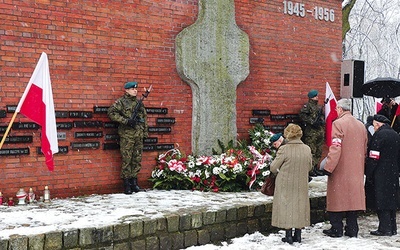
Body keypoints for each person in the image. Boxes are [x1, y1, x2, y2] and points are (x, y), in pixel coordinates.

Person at [321, 98, 367, 238]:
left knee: (337, 199)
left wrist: (328, 167)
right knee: (353, 200)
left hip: (340, 168)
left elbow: (336, 147)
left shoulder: (338, 124)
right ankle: (352, 228)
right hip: (356, 168)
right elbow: (364, 148)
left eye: (336, 109)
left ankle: (336, 228)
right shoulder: (361, 125)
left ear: (340, 109)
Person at [270, 123, 313, 244]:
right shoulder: (307, 148)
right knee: (300, 206)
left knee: (286, 207)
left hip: (285, 182)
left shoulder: (284, 149)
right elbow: (309, 167)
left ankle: (288, 235)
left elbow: (273, 167)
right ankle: (298, 235)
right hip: (301, 182)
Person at [107, 81, 149, 194]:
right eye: (132, 89)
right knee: (127, 159)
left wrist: (145, 133)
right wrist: (126, 121)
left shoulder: (139, 103)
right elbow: (111, 113)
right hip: (127, 136)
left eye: (136, 89)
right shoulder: (121, 102)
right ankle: (126, 185)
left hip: (138, 135)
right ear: (126, 90)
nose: (135, 90)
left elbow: (144, 118)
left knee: (137, 159)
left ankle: (134, 183)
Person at [365, 114, 400, 236]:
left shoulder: (379, 135)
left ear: (377, 124)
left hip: (380, 173)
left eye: (374, 126)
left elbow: (374, 156)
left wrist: (368, 172)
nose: (373, 128)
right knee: (391, 201)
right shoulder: (395, 134)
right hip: (393, 172)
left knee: (381, 200)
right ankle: (392, 227)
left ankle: (384, 228)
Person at [299, 89, 325, 176]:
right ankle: (310, 169)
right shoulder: (308, 106)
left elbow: (321, 117)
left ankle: (315, 168)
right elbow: (302, 115)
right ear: (311, 97)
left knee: (318, 151)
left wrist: (321, 122)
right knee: (311, 152)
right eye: (315, 96)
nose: (317, 97)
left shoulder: (318, 107)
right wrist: (312, 122)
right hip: (311, 133)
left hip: (319, 131)